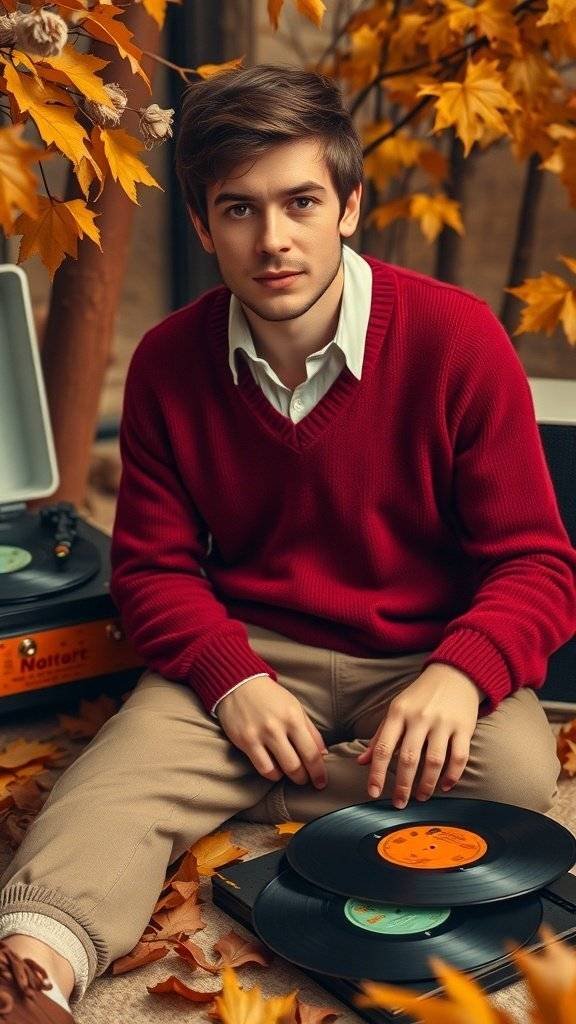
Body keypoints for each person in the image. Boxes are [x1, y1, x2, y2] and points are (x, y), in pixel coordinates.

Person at [0, 63, 574, 1023]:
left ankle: (255, 787)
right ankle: (30, 979)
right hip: (249, 655)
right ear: (201, 224)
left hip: (420, 656)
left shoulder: (458, 340)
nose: (273, 240)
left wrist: (462, 675)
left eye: (301, 201)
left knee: (517, 772)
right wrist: (230, 681)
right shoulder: (169, 361)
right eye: (239, 210)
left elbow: (537, 563)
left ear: (348, 205)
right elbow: (151, 566)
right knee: (107, 783)